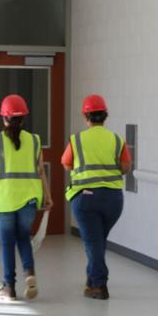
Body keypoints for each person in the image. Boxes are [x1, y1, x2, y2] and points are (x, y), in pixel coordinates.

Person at [0, 94, 51, 302]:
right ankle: (30, 272)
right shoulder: (34, 140)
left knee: (7, 242)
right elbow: (41, 171)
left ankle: (9, 287)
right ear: (24, 118)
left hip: (4, 199)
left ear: (3, 118)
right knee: (23, 236)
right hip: (30, 198)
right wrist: (47, 196)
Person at [62, 94, 131, 300]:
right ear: (105, 116)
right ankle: (92, 278)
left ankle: (99, 285)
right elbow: (126, 167)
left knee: (93, 243)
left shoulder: (77, 140)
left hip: (86, 198)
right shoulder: (117, 139)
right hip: (113, 200)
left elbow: (65, 163)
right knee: (98, 241)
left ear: (86, 116)